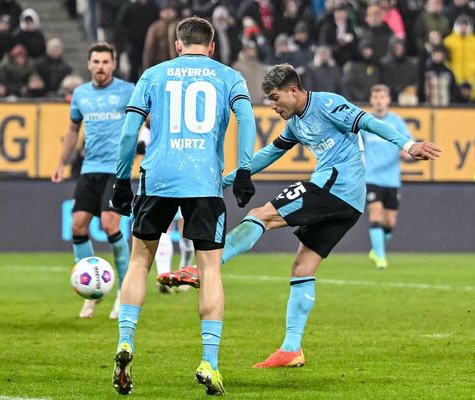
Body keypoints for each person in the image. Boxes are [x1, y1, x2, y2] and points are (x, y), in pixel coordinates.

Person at [158, 63, 440, 369]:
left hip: (333, 188)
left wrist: (409, 145)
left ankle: (206, 267)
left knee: (261, 215)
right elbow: (271, 152)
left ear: (294, 90)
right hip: (348, 203)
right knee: (303, 266)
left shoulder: (328, 104)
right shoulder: (295, 123)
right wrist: (232, 177)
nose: (273, 105)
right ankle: (291, 349)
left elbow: (369, 122)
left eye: (276, 98)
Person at [109, 16, 256, 395]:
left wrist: (121, 177)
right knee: (209, 270)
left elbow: (129, 131)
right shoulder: (228, 76)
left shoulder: (154, 75)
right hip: (204, 182)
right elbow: (247, 118)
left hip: (157, 178)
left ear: (178, 45)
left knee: (139, 261)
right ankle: (210, 361)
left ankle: (126, 339)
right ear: (211, 46)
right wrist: (244, 171)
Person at [51, 42, 133, 320]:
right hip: (89, 169)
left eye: (105, 62)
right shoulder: (81, 94)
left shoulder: (127, 91)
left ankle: (124, 292)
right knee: (78, 224)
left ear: (113, 64)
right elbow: (73, 130)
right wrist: (62, 163)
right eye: (96, 62)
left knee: (110, 224)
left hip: (117, 169)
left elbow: (146, 124)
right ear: (89, 65)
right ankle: (90, 291)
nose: (100, 67)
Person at [361, 85, 413, 269]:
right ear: (371, 100)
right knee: (375, 212)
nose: (379, 100)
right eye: (375, 97)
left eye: (382, 97)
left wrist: (406, 153)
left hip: (391, 179)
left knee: (389, 222)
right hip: (371, 177)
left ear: (388, 99)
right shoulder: (365, 122)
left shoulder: (397, 122)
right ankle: (381, 258)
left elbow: (408, 146)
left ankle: (377, 249)